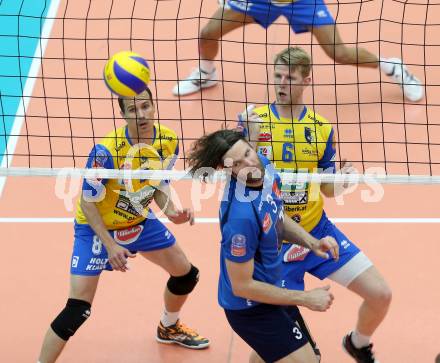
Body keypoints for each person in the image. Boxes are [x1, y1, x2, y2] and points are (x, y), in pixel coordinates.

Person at [239, 46, 392, 363]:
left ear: (307, 80)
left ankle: (357, 343)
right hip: (273, 243)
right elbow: (241, 180)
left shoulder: (321, 128)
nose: (281, 83)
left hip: (317, 232)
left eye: (290, 78)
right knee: (278, 353)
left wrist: (343, 181)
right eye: (277, 76)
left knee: (381, 294)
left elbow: (327, 187)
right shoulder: (255, 121)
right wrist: (248, 138)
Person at [37, 88, 209, 363]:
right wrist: (110, 244)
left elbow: (158, 184)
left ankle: (169, 326)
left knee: (187, 275)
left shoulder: (168, 141)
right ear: (123, 115)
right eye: (133, 110)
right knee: (77, 310)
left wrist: (172, 211)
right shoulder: (106, 152)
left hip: (140, 220)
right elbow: (87, 202)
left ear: (153, 106)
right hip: (97, 228)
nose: (141, 114)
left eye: (145, 107)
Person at [188, 129, 340, 363]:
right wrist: (305, 298)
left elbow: (276, 214)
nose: (250, 163)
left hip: (272, 287)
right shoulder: (240, 220)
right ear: (229, 170)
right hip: (250, 309)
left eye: (248, 152)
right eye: (238, 163)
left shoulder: (265, 168)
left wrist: (312, 242)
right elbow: (242, 286)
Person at [172, 0, 423, 102]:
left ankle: (392, 67)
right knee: (208, 33)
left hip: (302, 3)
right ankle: (206, 73)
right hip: (259, 2)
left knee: (338, 52)